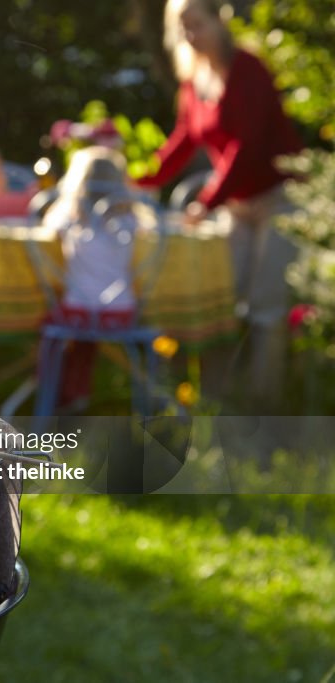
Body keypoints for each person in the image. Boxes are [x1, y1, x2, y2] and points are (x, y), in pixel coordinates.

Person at [136, 0, 303, 404]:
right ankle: (223, 394)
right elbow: (182, 142)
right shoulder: (194, 80)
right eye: (183, 27)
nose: (191, 35)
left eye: (198, 24)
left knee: (266, 306)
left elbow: (246, 147)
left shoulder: (247, 69)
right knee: (224, 298)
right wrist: (138, 180)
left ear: (218, 21)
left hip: (278, 198)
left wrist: (205, 203)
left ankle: (266, 403)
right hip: (236, 205)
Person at [43, 146, 148, 412]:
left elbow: (44, 230)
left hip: (75, 312)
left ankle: (52, 390)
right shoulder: (132, 219)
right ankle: (78, 391)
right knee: (86, 332)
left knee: (50, 322)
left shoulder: (67, 217)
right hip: (120, 313)